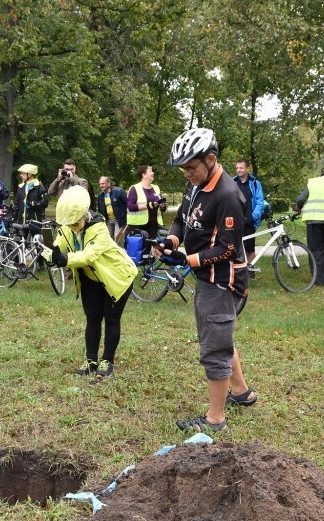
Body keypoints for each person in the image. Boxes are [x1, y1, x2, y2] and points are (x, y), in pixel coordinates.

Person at [154, 128, 255, 432]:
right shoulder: (195, 185)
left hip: (222, 282)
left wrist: (188, 259)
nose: (187, 174)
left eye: (192, 167)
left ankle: (215, 419)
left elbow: (226, 248)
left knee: (214, 346)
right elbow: (182, 219)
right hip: (206, 277)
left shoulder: (227, 196)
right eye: (183, 169)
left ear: (210, 159)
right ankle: (241, 393)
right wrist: (171, 241)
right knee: (220, 337)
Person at [42, 185, 137, 378]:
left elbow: (88, 256)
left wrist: (65, 259)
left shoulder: (100, 229)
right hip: (91, 278)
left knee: (111, 318)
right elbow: (57, 247)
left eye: (76, 223)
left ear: (85, 215)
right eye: (69, 224)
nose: (72, 228)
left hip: (117, 277)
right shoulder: (68, 227)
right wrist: (46, 252)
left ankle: (107, 361)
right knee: (92, 318)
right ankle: (91, 360)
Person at [232, 159, 265, 265]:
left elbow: (260, 202)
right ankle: (237, 271)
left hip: (249, 220)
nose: (238, 170)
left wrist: (253, 217)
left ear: (247, 169)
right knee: (234, 248)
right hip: (235, 221)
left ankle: (250, 272)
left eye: (241, 168)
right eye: (237, 168)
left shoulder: (255, 183)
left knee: (249, 248)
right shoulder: (232, 182)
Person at [126, 165, 166, 238]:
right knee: (139, 248)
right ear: (143, 175)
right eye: (150, 171)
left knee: (153, 248)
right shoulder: (134, 188)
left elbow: (161, 208)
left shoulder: (156, 187)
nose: (153, 173)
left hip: (153, 225)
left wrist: (162, 206)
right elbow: (130, 207)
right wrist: (149, 205)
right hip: (137, 226)